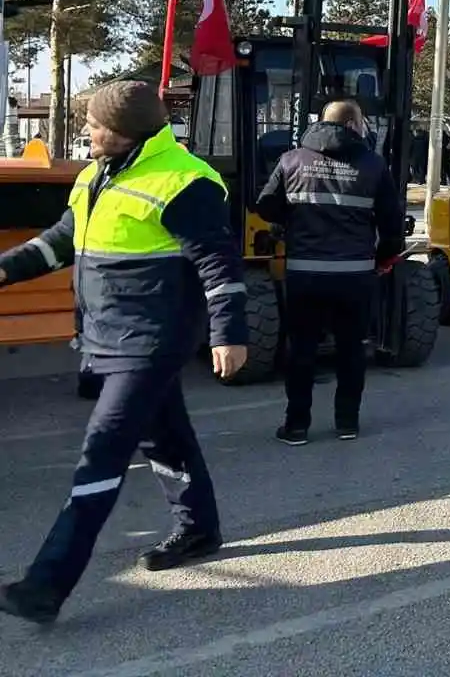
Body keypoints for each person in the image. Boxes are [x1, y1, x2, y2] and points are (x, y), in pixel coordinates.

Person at [0, 81, 248, 624]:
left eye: (92, 125)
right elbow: (61, 241)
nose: (86, 133)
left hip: (151, 342)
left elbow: (219, 265)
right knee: (164, 435)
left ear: (123, 131)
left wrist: (229, 333)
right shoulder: (95, 174)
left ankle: (46, 584)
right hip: (105, 333)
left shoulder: (185, 181)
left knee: (103, 449)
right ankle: (199, 528)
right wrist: (4, 269)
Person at [257, 99, 406, 445]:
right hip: (354, 276)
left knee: (302, 350)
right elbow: (392, 223)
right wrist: (383, 258)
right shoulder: (374, 165)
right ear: (354, 126)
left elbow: (265, 205)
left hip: (304, 274)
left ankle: (296, 426)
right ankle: (347, 423)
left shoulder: (291, 160)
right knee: (352, 350)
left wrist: (289, 222)